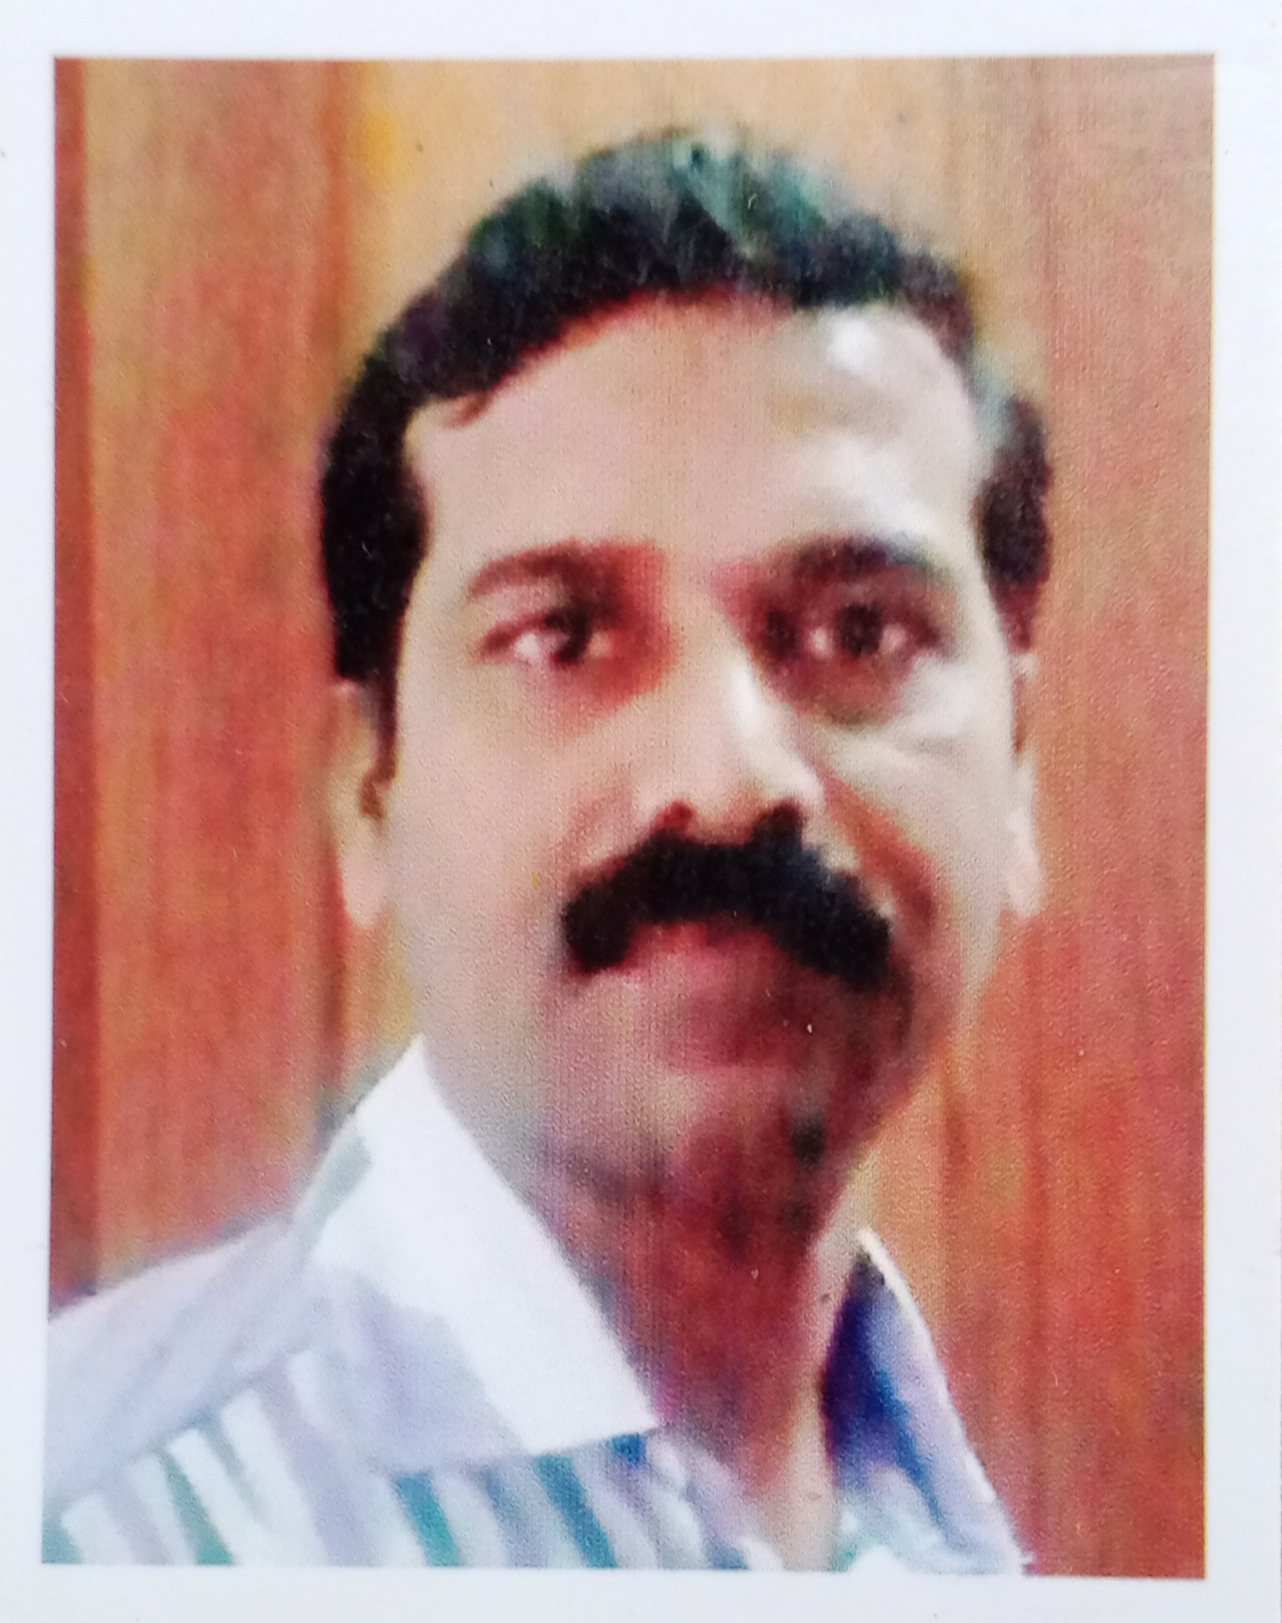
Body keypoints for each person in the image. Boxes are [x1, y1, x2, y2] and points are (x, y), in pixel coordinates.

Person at [43, 132, 1050, 1570]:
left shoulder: (949, 1538)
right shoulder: (83, 1527)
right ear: (370, 790)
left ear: (1019, 774)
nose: (725, 779)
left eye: (858, 631)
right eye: (562, 637)